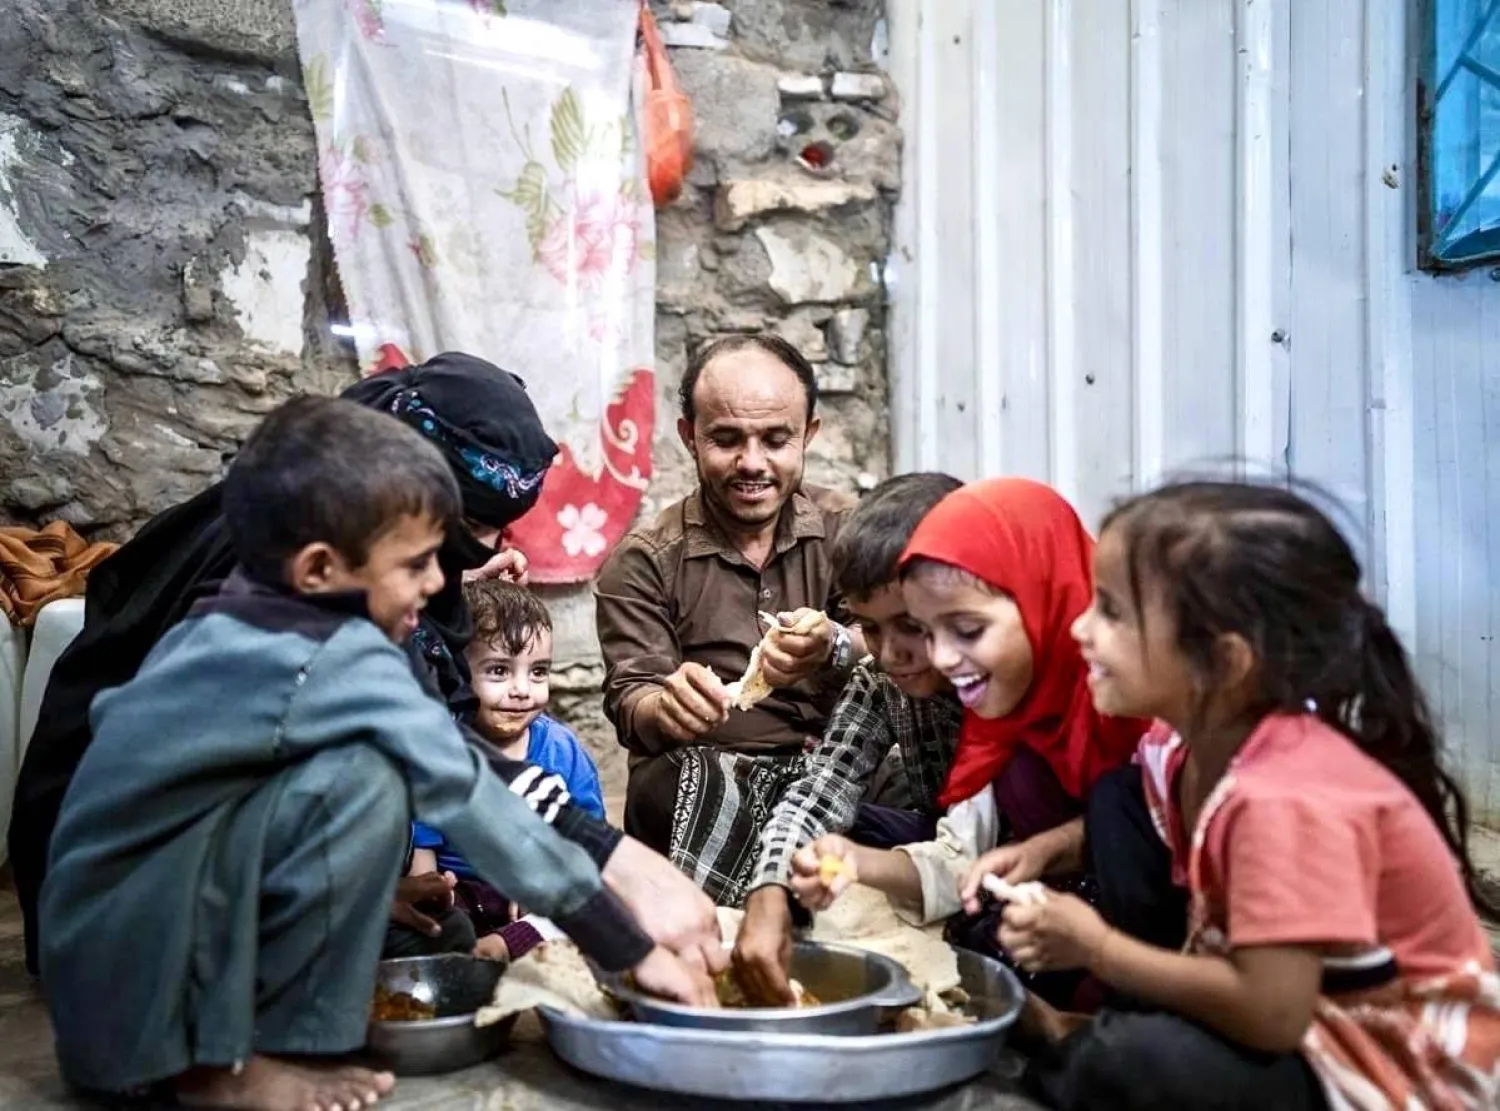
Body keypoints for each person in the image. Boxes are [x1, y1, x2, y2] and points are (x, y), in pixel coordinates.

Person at [40, 397, 713, 1111]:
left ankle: (269, 1040)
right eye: (417, 562)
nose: (435, 582)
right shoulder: (331, 654)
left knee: (363, 773)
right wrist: (622, 941)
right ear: (321, 568)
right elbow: (467, 785)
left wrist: (601, 855)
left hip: (96, 985)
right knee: (368, 780)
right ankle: (227, 1072)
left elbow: (448, 751)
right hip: (135, 1005)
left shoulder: (237, 620)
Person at [993, 481, 1500, 1111]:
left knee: (1131, 1067)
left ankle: (1095, 1046)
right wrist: (1043, 852)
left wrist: (1096, 947)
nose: (1080, 627)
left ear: (1226, 662)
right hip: (1306, 1014)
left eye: (1115, 612)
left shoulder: (1285, 795)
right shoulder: (1178, 749)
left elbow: (1272, 1014)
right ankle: (1104, 1036)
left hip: (1388, 1067)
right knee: (1116, 803)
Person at [790, 479, 1144, 1009]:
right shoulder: (996, 706)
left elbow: (1153, 836)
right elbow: (959, 843)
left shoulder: (1132, 701)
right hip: (1029, 886)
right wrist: (838, 865)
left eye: (966, 631)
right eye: (931, 632)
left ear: (1039, 594)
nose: (943, 657)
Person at [594, 333, 862, 903]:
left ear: (809, 433)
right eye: (726, 439)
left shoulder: (847, 531)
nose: (752, 464)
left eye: (775, 439)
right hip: (708, 770)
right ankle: (721, 933)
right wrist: (666, 707)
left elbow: (898, 648)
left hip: (832, 764)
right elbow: (631, 697)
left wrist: (835, 644)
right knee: (687, 785)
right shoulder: (644, 560)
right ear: (689, 435)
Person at [732, 472, 964, 1003]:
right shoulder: (882, 680)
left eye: (911, 625)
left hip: (1009, 861)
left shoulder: (992, 679)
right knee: (805, 828)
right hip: (942, 841)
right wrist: (770, 891)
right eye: (872, 629)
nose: (889, 653)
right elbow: (823, 789)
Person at [394, 579, 608, 963]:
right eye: (498, 671)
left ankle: (507, 944)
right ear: (458, 672)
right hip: (462, 891)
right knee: (434, 920)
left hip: (536, 893)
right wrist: (436, 895)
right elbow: (424, 853)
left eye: (538, 672)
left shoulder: (563, 751)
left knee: (596, 905)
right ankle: (480, 952)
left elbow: (588, 849)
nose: (523, 690)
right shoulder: (440, 749)